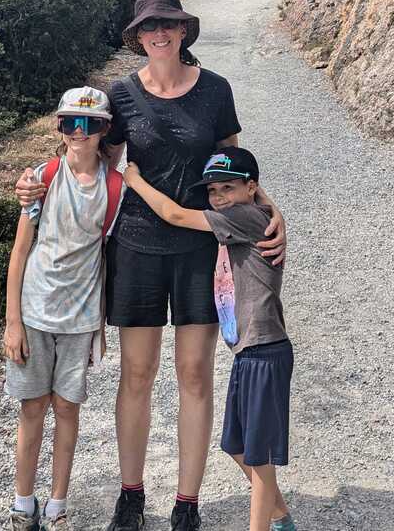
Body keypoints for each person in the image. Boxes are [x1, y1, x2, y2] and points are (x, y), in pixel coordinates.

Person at [16, 0, 286, 531]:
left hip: (199, 250)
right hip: (135, 248)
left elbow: (233, 160)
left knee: (194, 375)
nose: (159, 33)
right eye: (148, 26)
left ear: (183, 30)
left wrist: (267, 205)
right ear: (137, 36)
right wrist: (34, 180)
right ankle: (131, 496)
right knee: (136, 375)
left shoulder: (215, 90)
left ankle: (187, 505)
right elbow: (87, 149)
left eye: (168, 23)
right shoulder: (120, 94)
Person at [122, 146, 296, 531]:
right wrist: (266, 199)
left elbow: (173, 214)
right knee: (237, 447)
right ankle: (282, 518)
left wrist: (133, 180)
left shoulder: (244, 216)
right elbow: (247, 196)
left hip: (264, 349)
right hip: (249, 351)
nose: (219, 198)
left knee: (258, 454)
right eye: (213, 191)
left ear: (251, 188)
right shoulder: (251, 210)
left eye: (228, 188)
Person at [4, 86, 122, 531]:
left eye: (91, 124)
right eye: (71, 122)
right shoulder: (42, 176)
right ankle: (22, 503)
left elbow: (109, 257)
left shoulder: (116, 187)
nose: (80, 131)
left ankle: (57, 505)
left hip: (80, 319)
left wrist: (102, 327)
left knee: (68, 409)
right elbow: (20, 252)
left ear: (105, 130)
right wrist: (12, 322)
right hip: (34, 312)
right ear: (59, 126)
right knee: (32, 407)